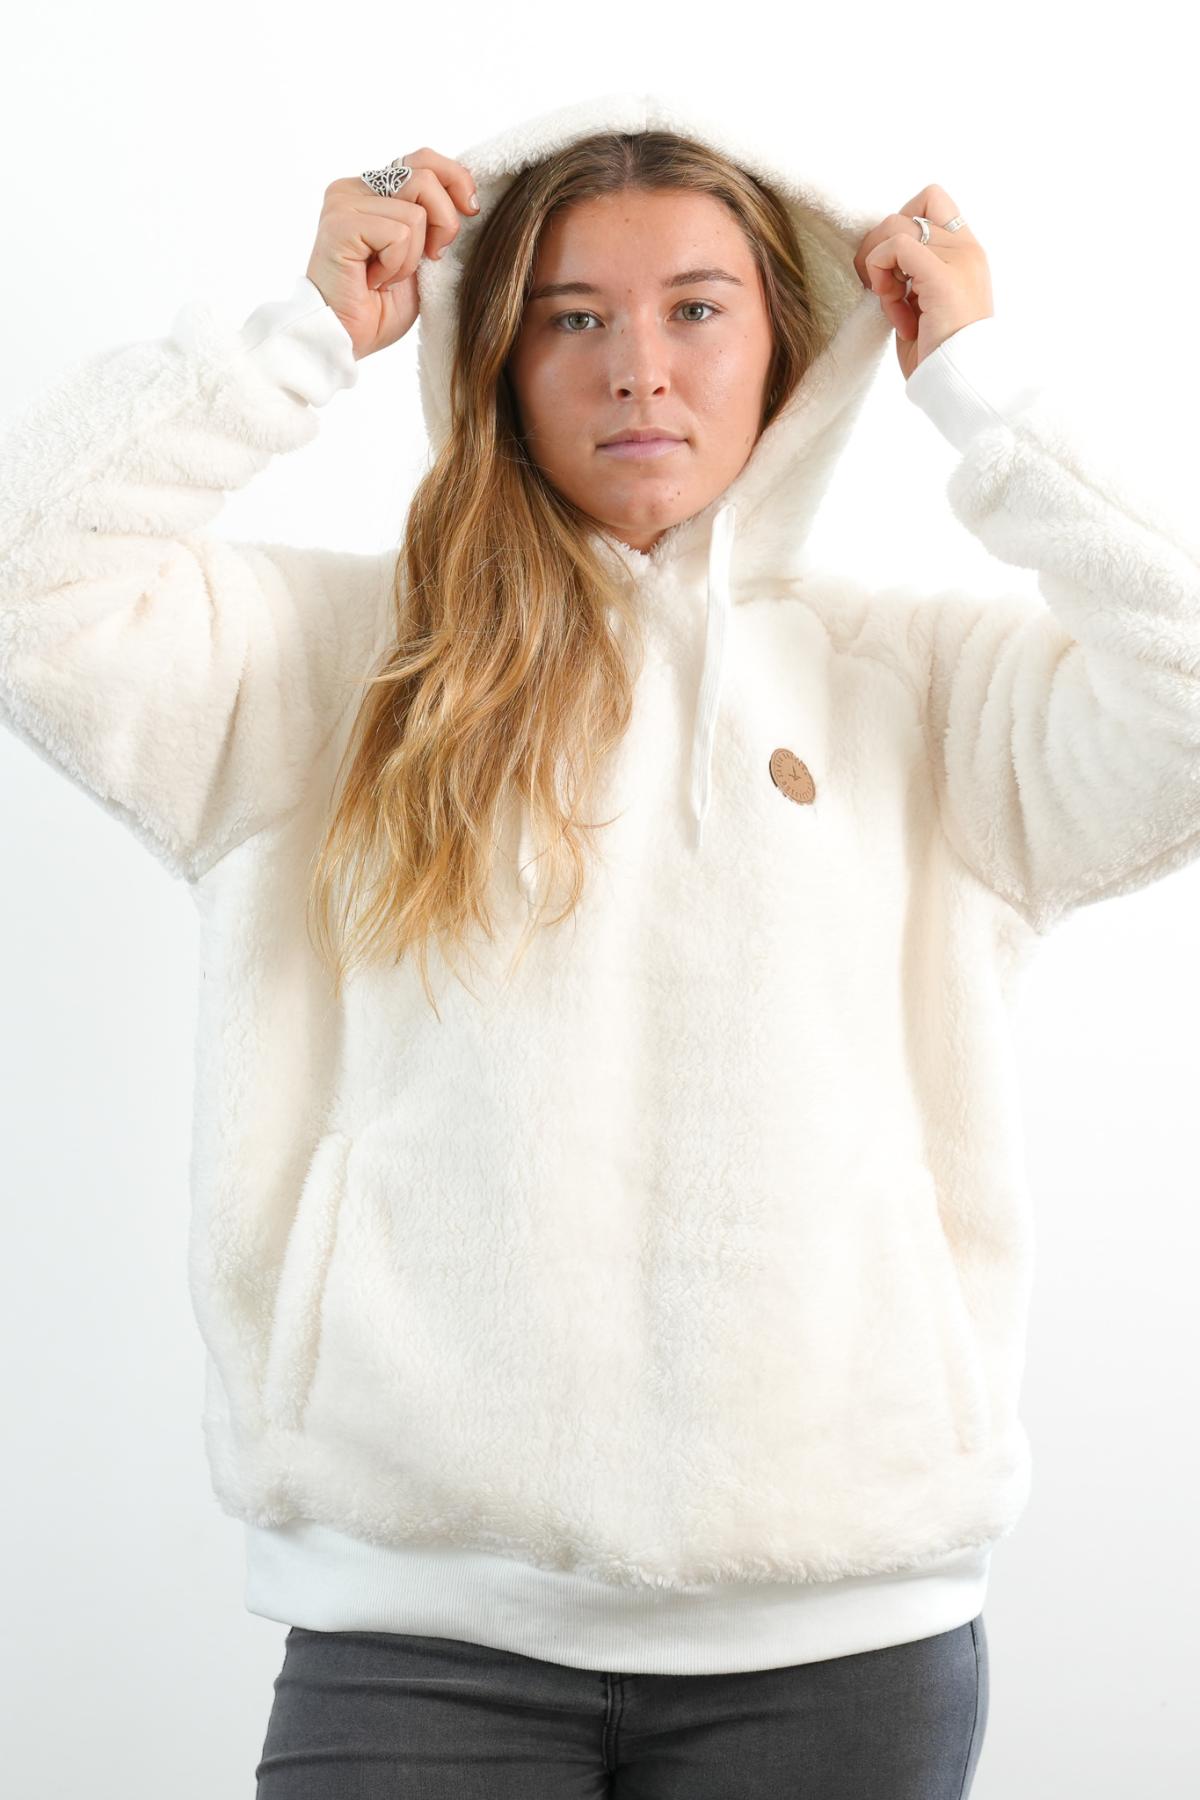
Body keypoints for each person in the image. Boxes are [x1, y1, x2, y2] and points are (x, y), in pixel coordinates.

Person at [2, 89, 1195, 1798]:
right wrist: (294, 340)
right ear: (497, 356)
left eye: (696, 309)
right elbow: (26, 578)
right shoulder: (332, 666)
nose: (639, 368)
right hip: (415, 1637)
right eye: (573, 318)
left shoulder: (928, 689)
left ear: (790, 347)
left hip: (840, 1644)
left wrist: (985, 389)